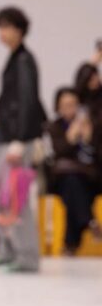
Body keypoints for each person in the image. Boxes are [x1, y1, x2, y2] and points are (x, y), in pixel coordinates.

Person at [0, 6, 47, 272]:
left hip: (17, 140)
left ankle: (27, 257)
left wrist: (20, 140)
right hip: (3, 138)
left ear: (19, 29)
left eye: (6, 27)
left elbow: (29, 103)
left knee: (16, 198)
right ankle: (7, 249)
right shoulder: (14, 59)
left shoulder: (25, 61)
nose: (2, 33)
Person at [46, 87, 102, 254]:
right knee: (72, 184)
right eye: (66, 105)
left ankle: (71, 243)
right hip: (62, 179)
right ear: (58, 107)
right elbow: (57, 152)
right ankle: (88, 221)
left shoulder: (92, 125)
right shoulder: (53, 127)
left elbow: (97, 156)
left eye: (73, 104)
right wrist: (70, 137)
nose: (70, 108)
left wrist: (89, 138)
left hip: (90, 178)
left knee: (74, 192)